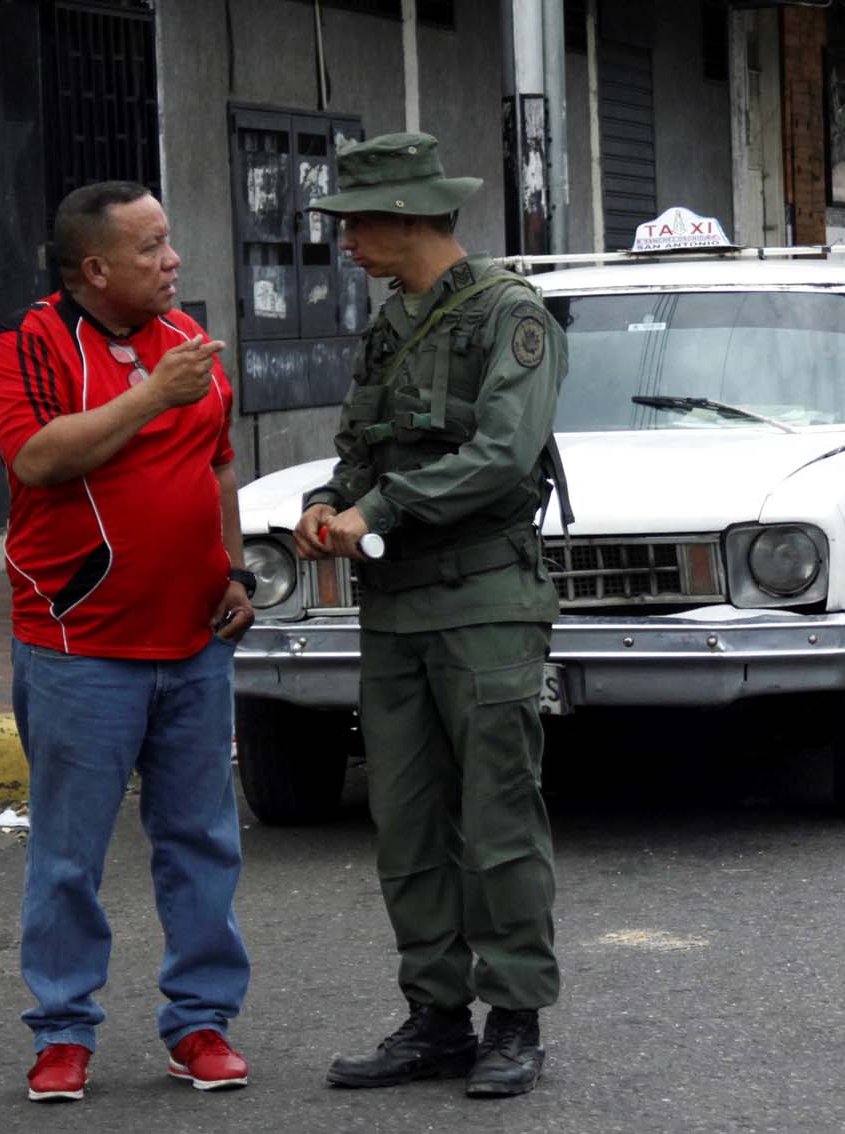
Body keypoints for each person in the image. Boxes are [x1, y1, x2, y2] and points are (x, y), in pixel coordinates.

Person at [297, 133, 569, 1099]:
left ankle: (516, 1019)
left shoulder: (510, 316)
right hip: (397, 607)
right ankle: (436, 1017)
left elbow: (503, 453)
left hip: (485, 600)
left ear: (410, 219)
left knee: (495, 818)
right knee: (406, 823)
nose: (347, 243)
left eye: (358, 224)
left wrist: (384, 508)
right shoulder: (391, 323)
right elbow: (362, 442)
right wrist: (331, 501)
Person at [0, 181, 254, 1102]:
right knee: (69, 850)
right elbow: (39, 459)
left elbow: (218, 463)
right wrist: (150, 398)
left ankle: (202, 1023)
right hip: (80, 643)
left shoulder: (190, 345)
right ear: (95, 268)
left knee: (201, 838)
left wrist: (237, 573)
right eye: (152, 247)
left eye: (170, 241)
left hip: (194, 639)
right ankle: (62, 1033)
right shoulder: (29, 346)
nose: (173, 259)